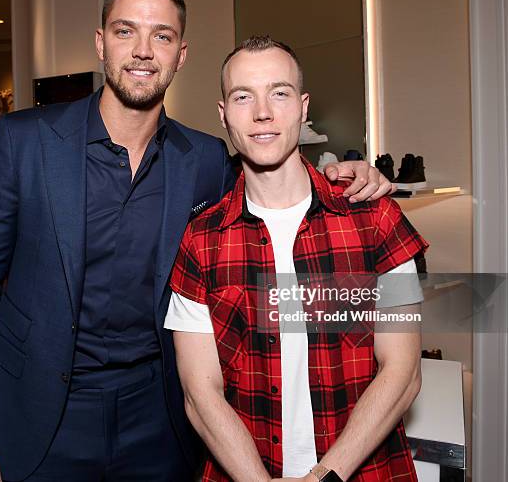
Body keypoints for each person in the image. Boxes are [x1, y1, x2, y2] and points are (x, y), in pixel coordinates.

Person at [0, 0, 394, 482]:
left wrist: (342, 175)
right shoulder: (25, 141)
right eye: (124, 31)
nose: (141, 50)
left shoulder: (204, 160)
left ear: (180, 55)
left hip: (159, 422)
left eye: (161, 36)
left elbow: (273, 184)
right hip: (38, 415)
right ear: (101, 43)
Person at [166, 35, 428, 481]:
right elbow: (199, 394)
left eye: (280, 93)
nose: (262, 112)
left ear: (304, 108)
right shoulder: (201, 240)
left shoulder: (377, 219)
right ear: (223, 114)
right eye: (243, 96)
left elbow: (403, 371)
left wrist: (325, 477)